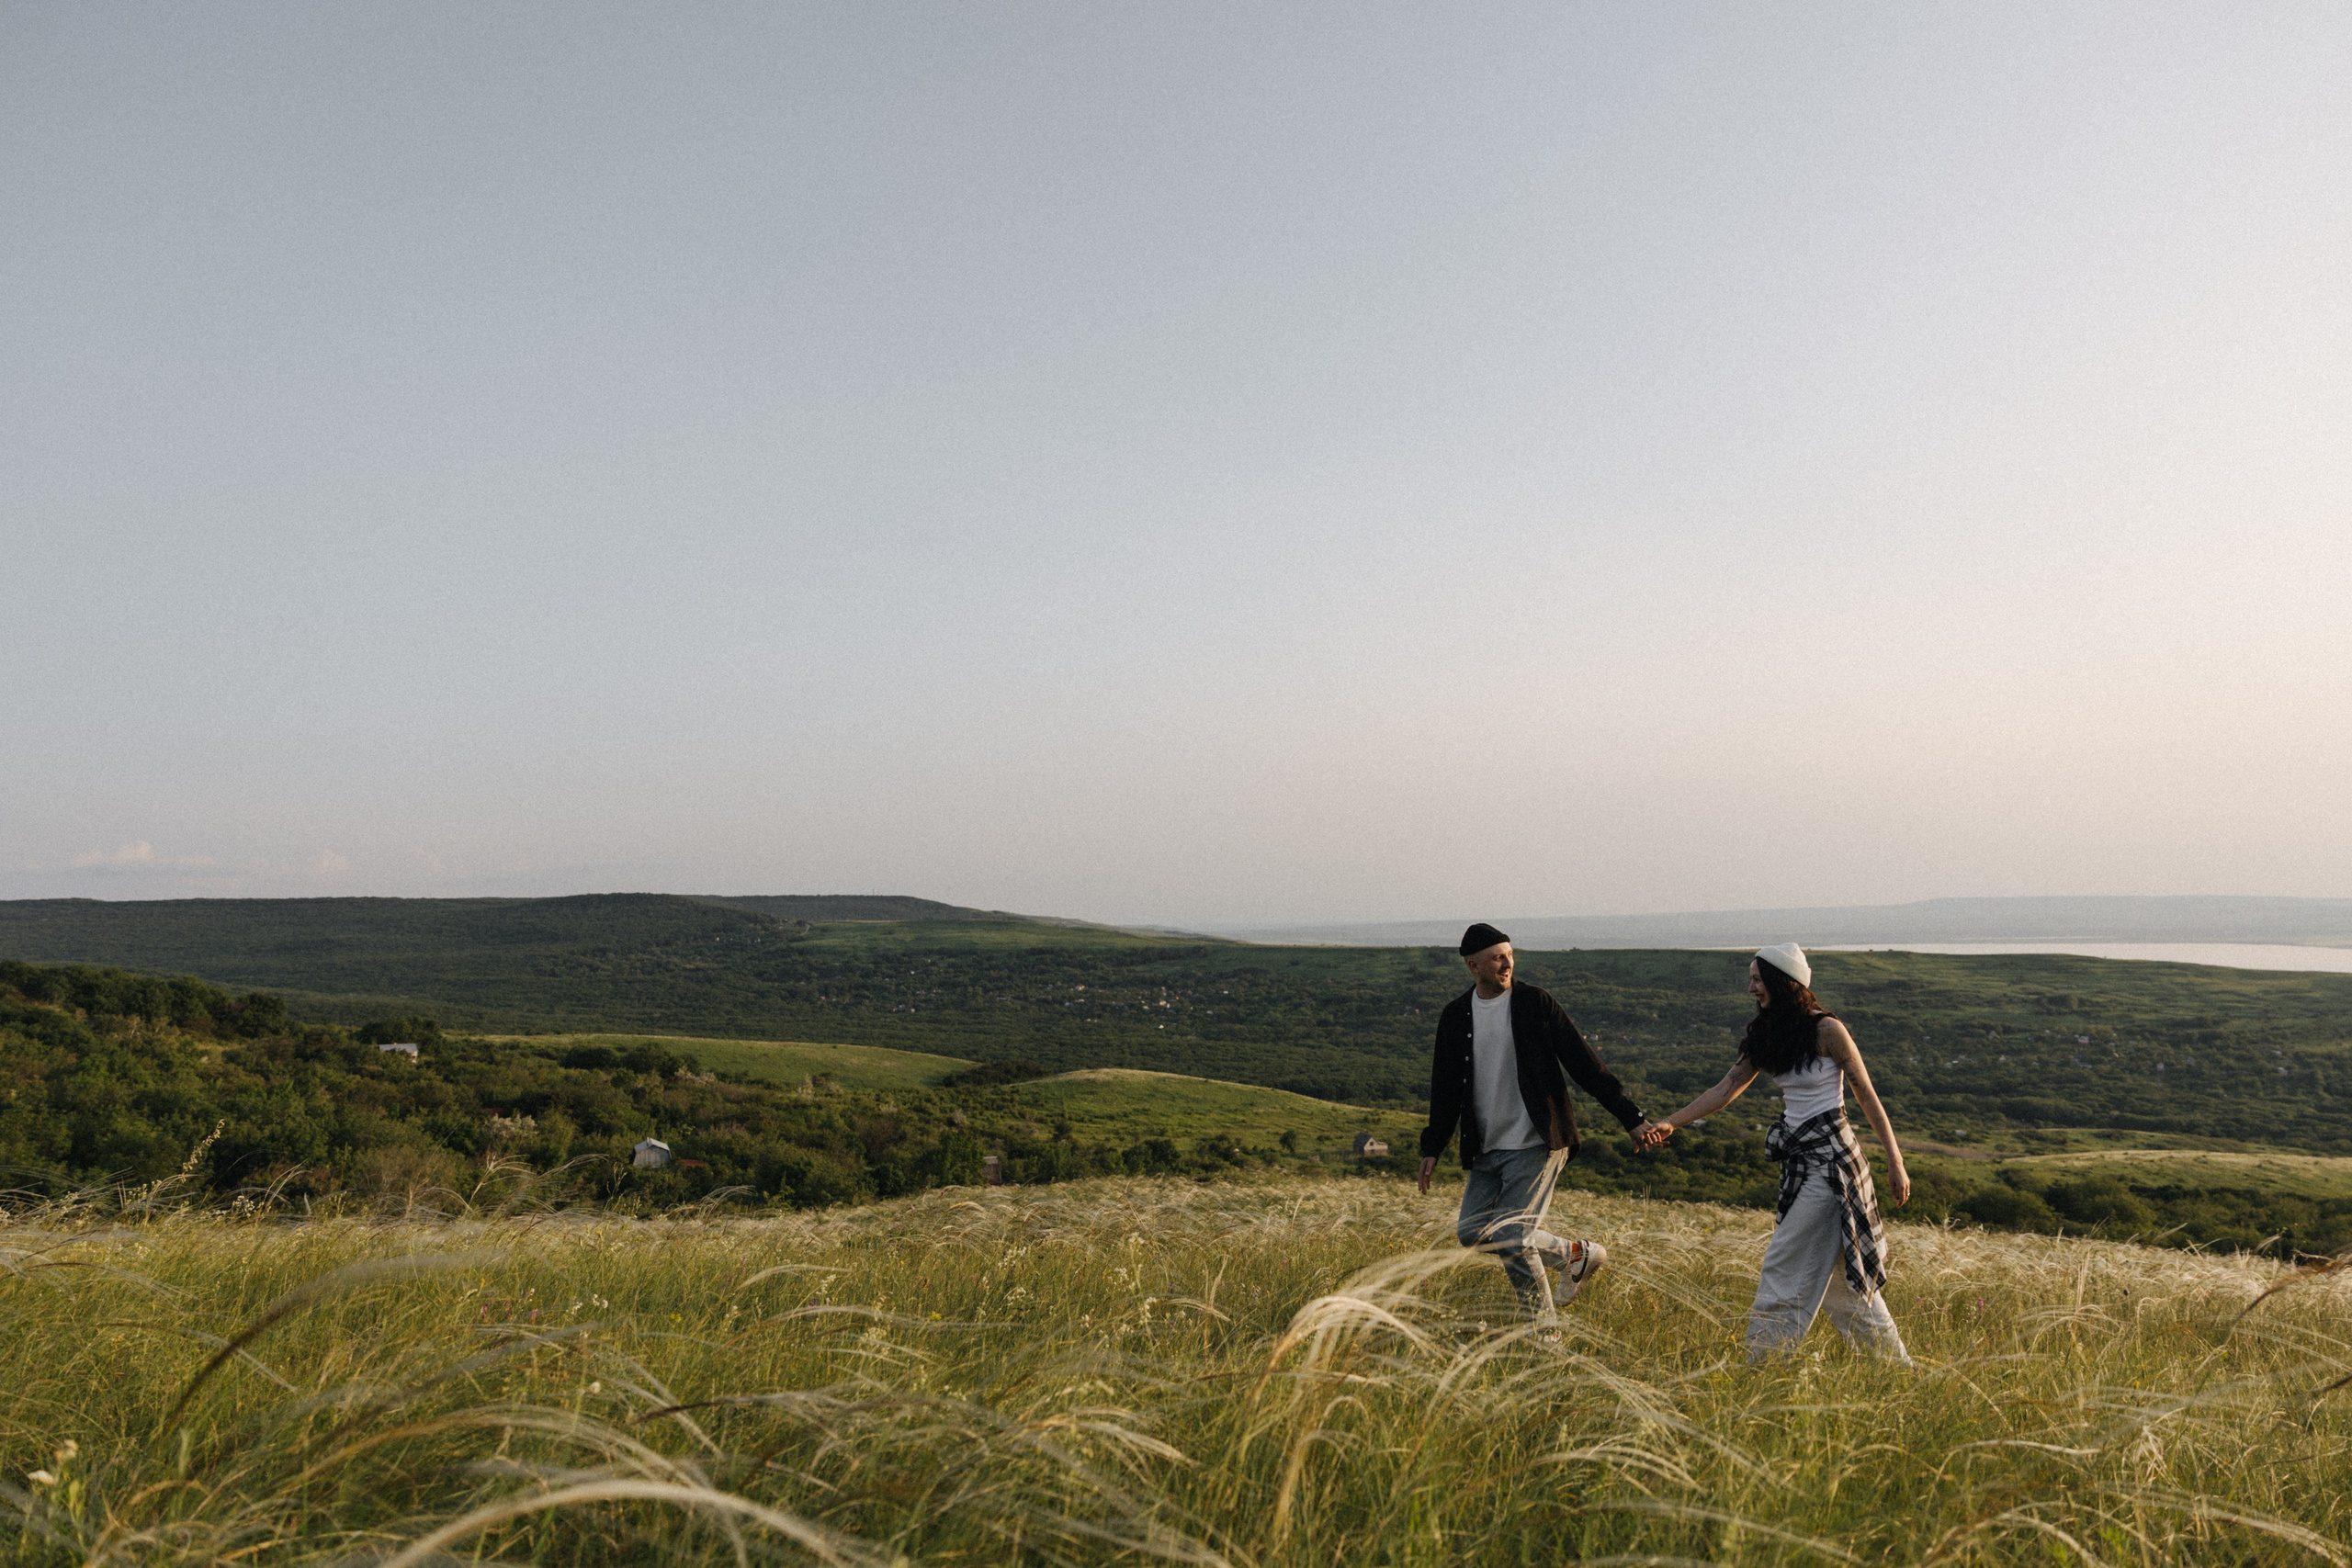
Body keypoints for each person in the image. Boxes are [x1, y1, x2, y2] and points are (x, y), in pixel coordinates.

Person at [1645, 943, 1913, 1363]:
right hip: (1802, 1164)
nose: (1751, 988)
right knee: (1843, 1287)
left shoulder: (1828, 1030)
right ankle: (1896, 1369)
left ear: (1782, 982)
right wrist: (1671, 1123)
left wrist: (1896, 1163)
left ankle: (1762, 1363)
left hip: (1832, 1165)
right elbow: (1726, 1088)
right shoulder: (1769, 1032)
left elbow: (1866, 1094)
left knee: (1782, 1266)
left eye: (1757, 979)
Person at [1416, 922, 1666, 1325]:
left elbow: (1584, 1064)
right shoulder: (1456, 1015)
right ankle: (1575, 1255)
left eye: (1510, 956)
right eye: (1497, 958)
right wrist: (1432, 1147)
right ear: (1473, 965)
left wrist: (1631, 1118)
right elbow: (1444, 1087)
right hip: (1487, 1145)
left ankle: (1544, 1333)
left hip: (1538, 1139)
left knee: (1513, 1236)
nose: (1507, 964)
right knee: (1472, 1233)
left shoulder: (1536, 1003)